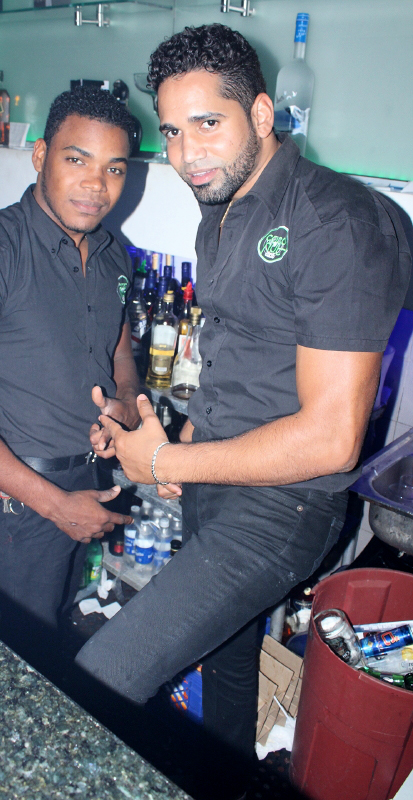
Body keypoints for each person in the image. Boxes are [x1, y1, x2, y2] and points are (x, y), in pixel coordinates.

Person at [76, 25, 411, 798]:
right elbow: (241, 357)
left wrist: (167, 459)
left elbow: (331, 439)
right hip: (217, 484)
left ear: (261, 114)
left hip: (283, 507)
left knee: (98, 681)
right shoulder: (219, 208)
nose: (186, 152)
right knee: (224, 676)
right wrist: (183, 446)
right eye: (171, 130)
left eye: (207, 123)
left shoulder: (335, 219)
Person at [0, 88, 140, 669]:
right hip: (21, 496)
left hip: (89, 479)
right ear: (40, 155)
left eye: (114, 168)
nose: (96, 184)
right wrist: (56, 505)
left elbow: (120, 351)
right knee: (24, 656)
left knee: (59, 625)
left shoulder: (114, 256)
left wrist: (124, 402)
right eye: (77, 159)